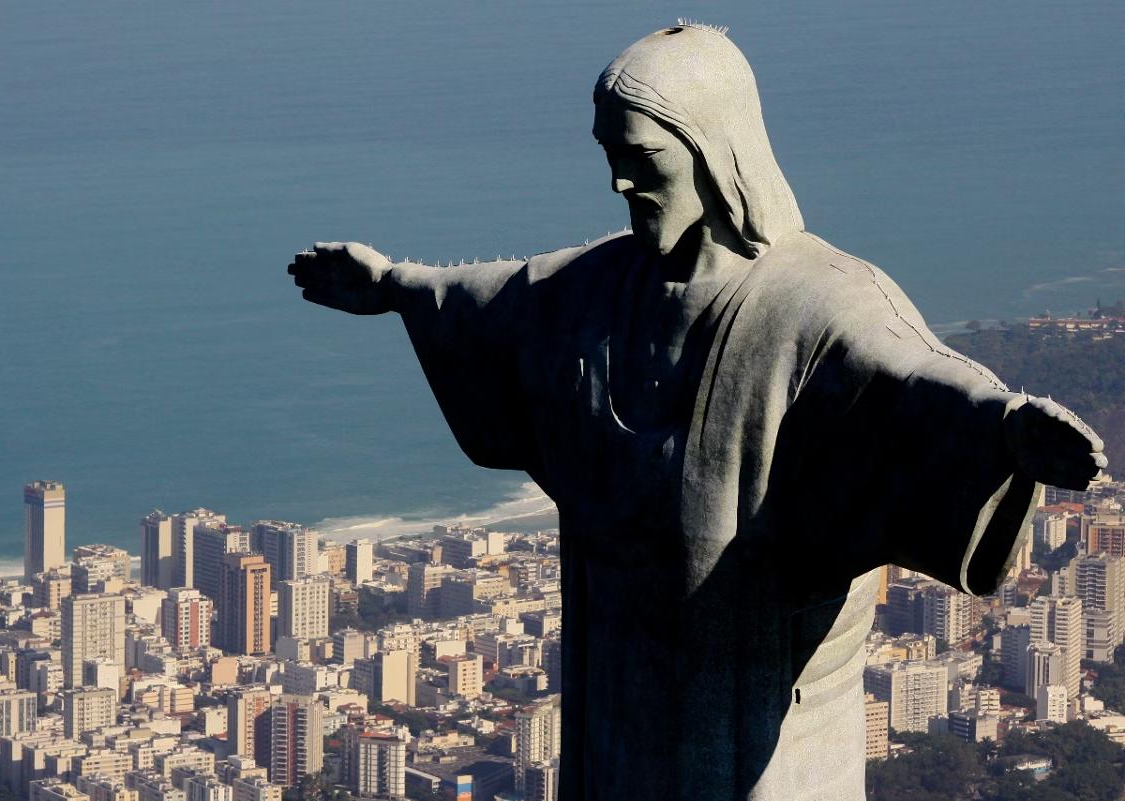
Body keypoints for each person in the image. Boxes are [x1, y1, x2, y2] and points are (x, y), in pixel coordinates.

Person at [287, 23, 1105, 801]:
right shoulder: (600, 287)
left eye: (641, 158)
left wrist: (1006, 429)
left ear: (712, 150)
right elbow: (501, 299)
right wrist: (392, 286)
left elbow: (915, 379)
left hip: (765, 724)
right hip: (617, 699)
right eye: (610, 157)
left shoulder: (818, 303)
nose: (619, 182)